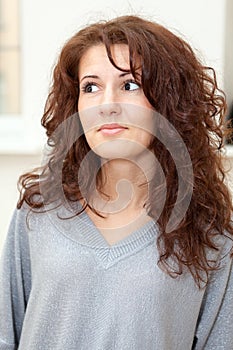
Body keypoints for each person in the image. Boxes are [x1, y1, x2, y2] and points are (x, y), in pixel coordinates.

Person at [0, 15, 233, 350]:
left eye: (129, 85)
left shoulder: (211, 235)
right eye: (90, 87)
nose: (107, 105)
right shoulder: (40, 210)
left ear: (169, 102)